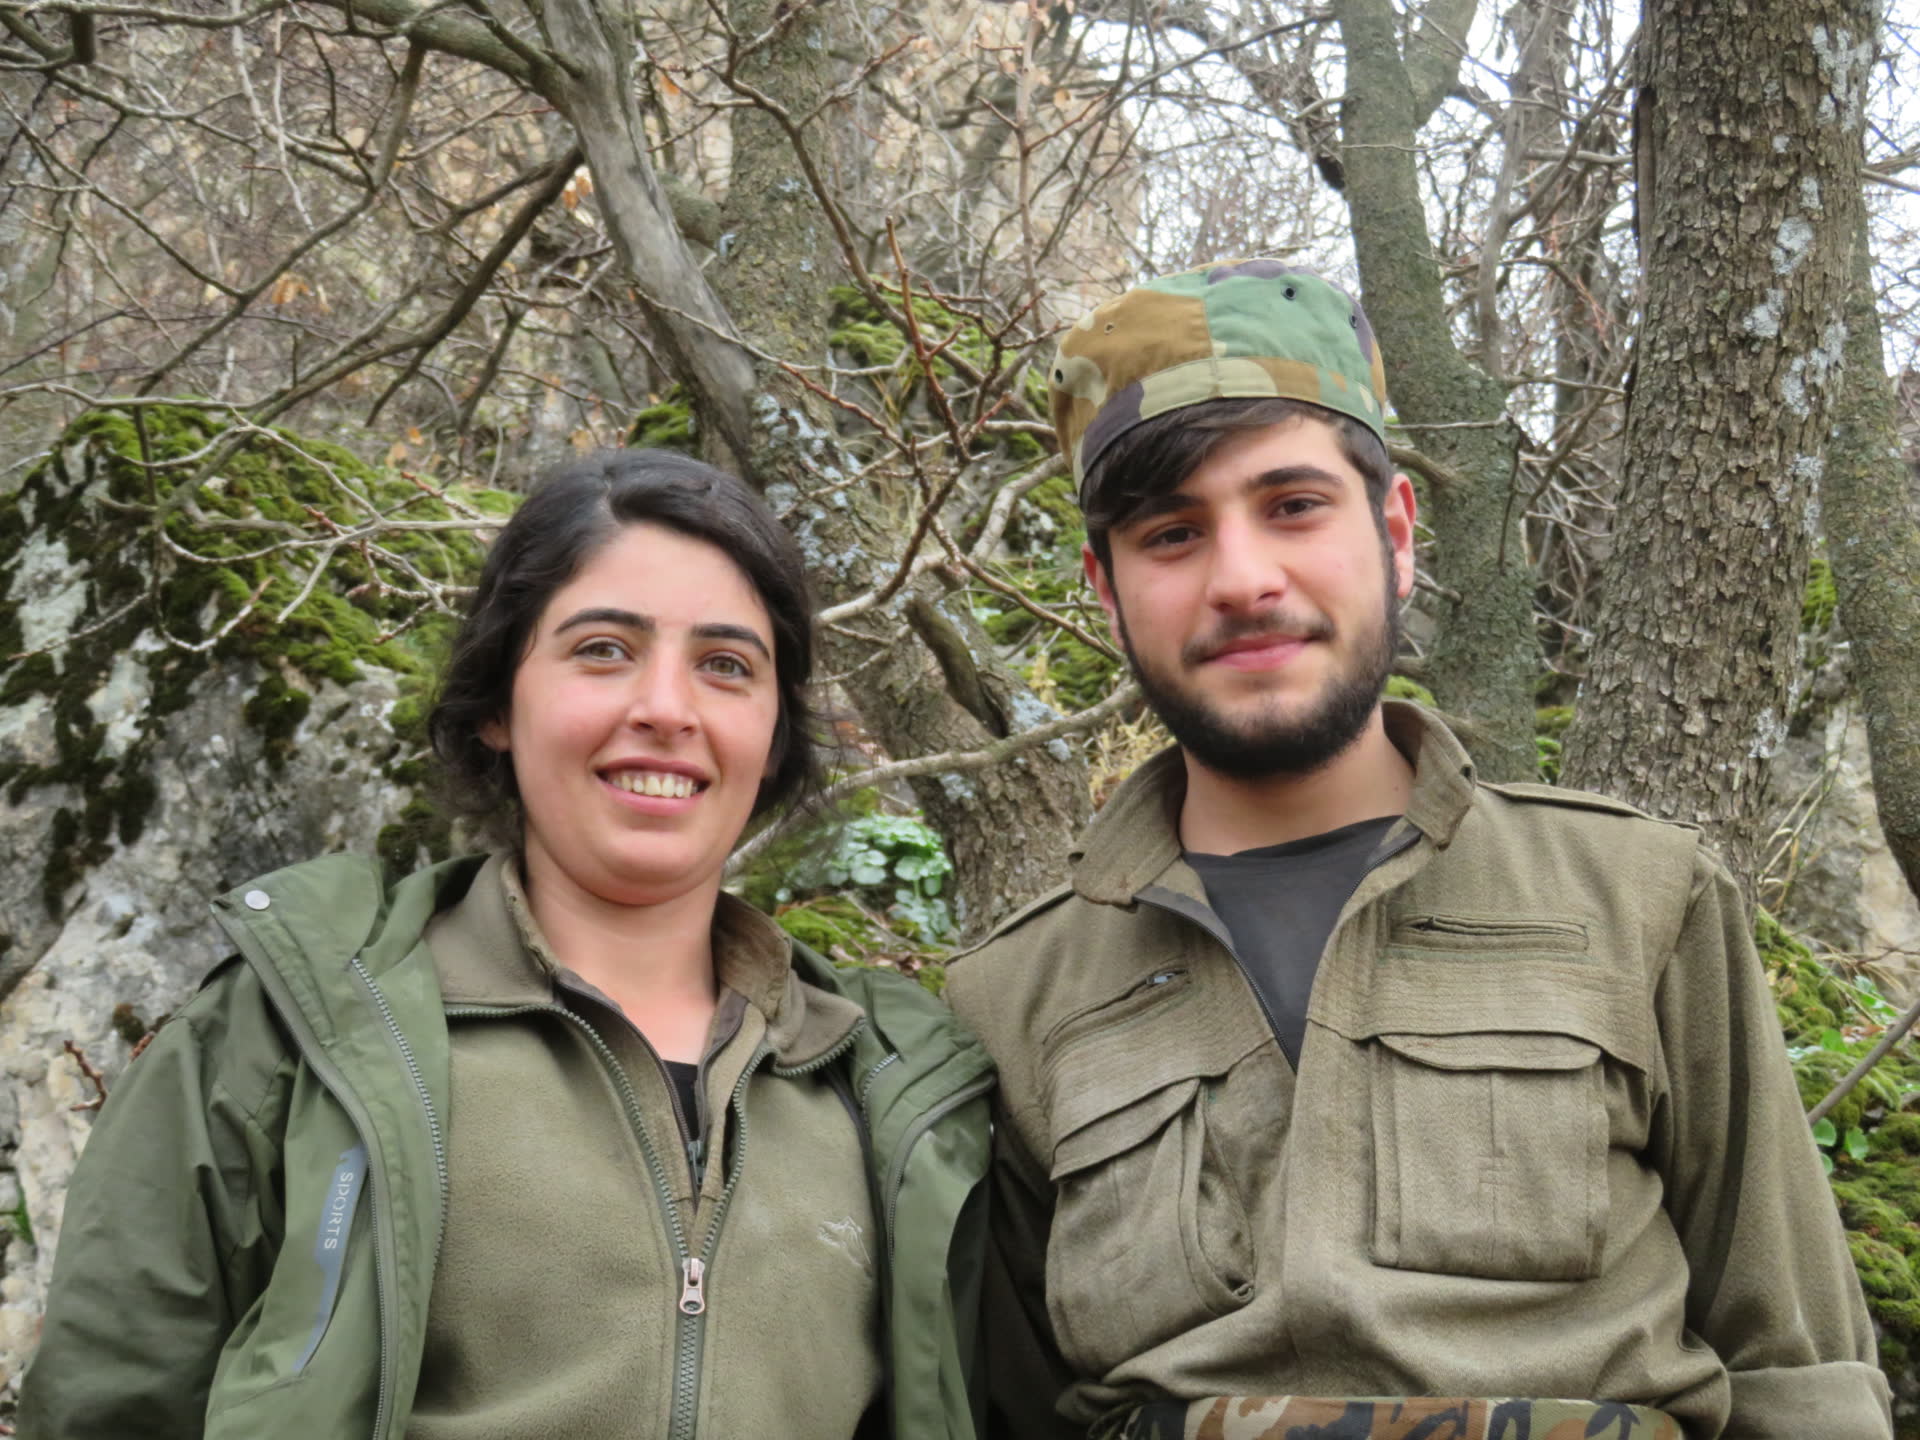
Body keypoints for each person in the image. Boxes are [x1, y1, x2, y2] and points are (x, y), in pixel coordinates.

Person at [942, 260, 1893, 1440]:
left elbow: (1800, 1376)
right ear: (1106, 589)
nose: (1244, 579)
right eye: (1172, 533)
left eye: (1294, 506)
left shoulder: (1641, 897)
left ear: (1395, 533)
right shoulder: (1010, 999)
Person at [21, 449, 993, 1440]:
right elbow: (110, 1408)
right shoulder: (286, 1037)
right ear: (496, 704)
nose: (666, 708)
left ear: (775, 730)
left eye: (726, 666)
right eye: (603, 649)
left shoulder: (887, 1081)